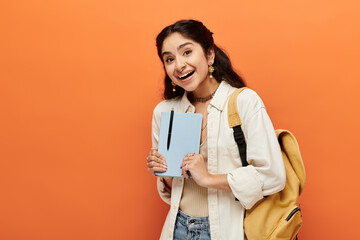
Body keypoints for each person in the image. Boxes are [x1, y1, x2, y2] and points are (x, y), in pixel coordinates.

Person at [146, 19, 286, 240]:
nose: (179, 65)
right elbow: (175, 190)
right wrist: (162, 172)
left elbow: (273, 176)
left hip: (226, 230)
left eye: (187, 52)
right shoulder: (165, 112)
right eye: (169, 59)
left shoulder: (244, 102)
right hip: (177, 228)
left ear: (209, 55)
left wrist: (209, 178)